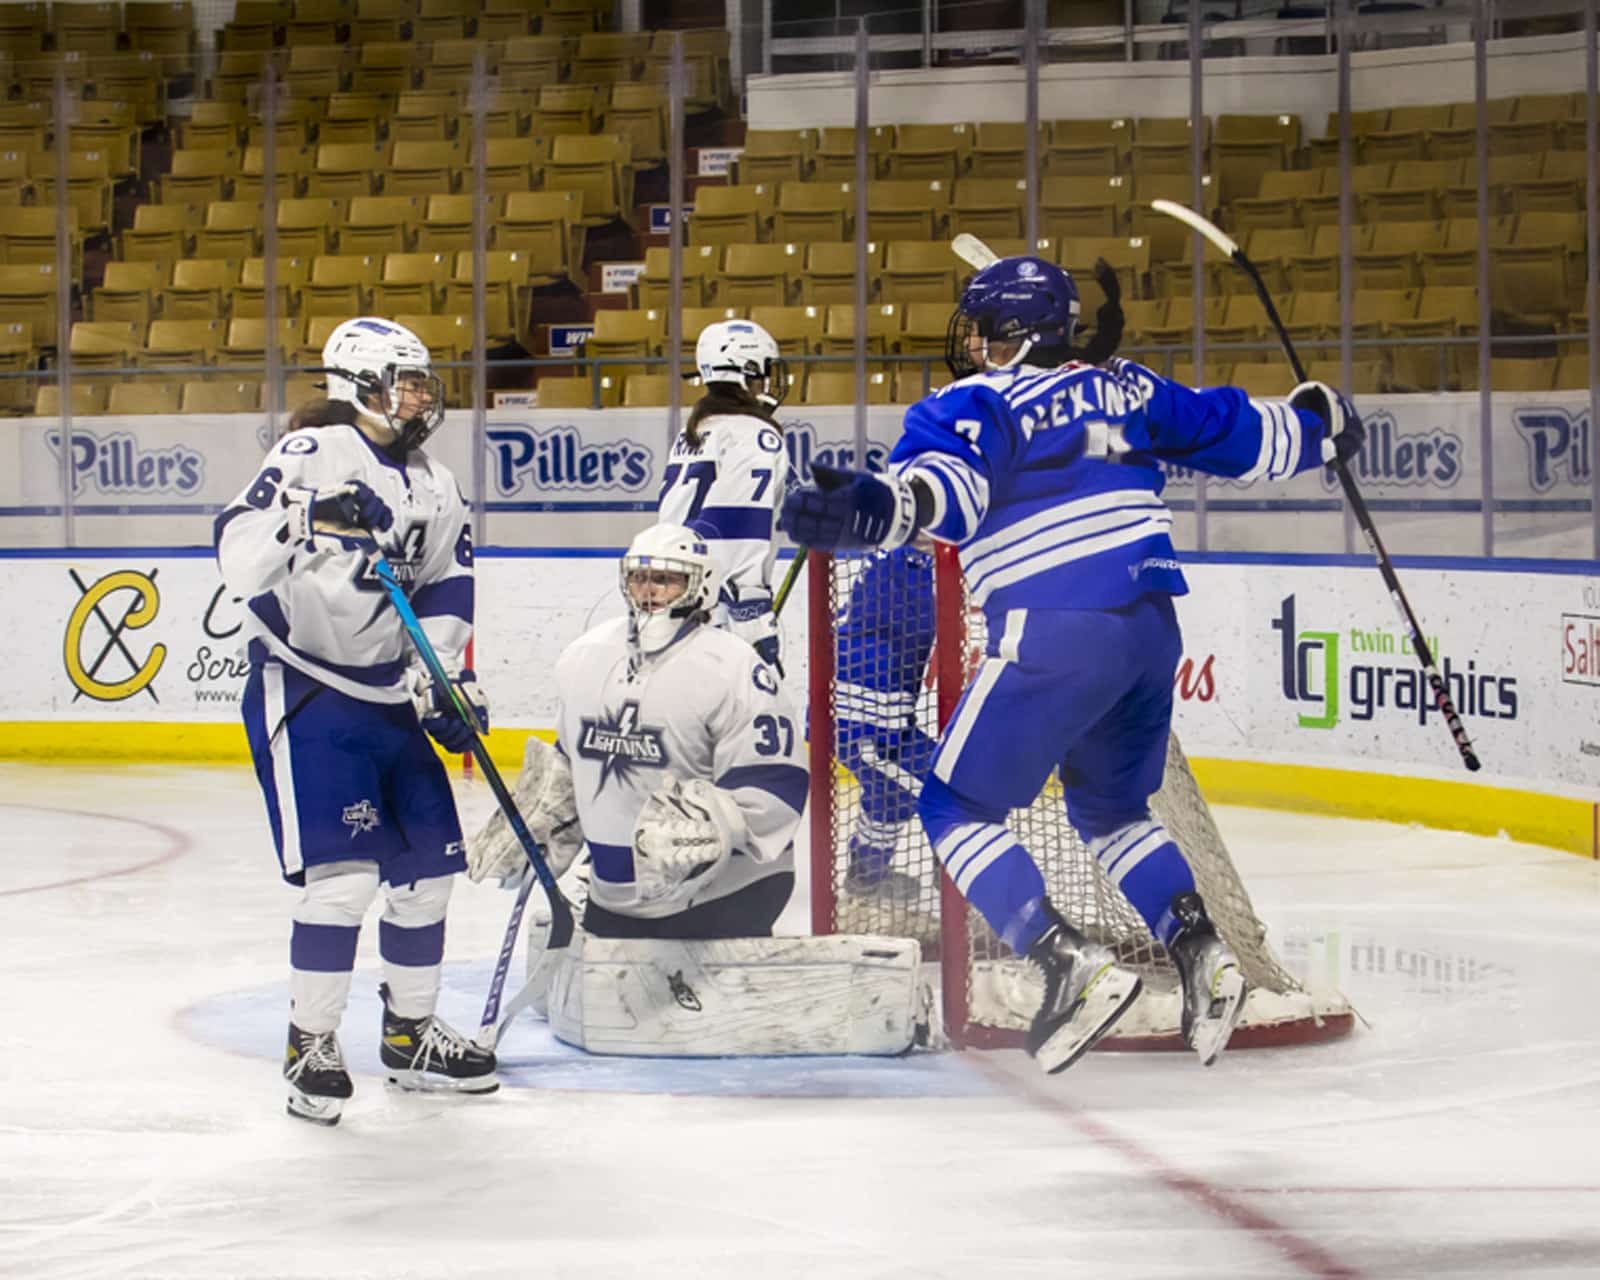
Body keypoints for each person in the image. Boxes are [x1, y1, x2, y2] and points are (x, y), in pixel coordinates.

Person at [779, 255, 1365, 1075]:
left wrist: (878, 508)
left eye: (982, 330)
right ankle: (1203, 953)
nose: (974, 343)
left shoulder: (974, 401)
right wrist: (1320, 423)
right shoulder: (1129, 392)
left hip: (1056, 628)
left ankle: (1063, 960)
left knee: (955, 808)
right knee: (1114, 810)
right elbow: (1241, 436)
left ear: (1006, 337)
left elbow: (947, 493)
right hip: (1152, 630)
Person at [467, 524, 926, 1057]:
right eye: (640, 577)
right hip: (619, 894)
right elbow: (571, 764)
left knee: (700, 1017)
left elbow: (777, 780)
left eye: (666, 579)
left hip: (724, 891)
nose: (650, 591)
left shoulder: (736, 668)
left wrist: (718, 826)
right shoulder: (585, 656)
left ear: (700, 587)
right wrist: (545, 823)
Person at [216, 316, 497, 1125]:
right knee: (344, 883)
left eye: (421, 381)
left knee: (428, 876)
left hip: (387, 697)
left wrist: (446, 678)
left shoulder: (438, 484)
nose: (421, 395)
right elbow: (236, 551)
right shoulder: (312, 454)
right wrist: (307, 518)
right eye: (405, 380)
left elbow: (447, 586)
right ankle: (311, 1040)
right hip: (306, 689)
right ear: (360, 385)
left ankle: (408, 1037)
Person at [658, 319, 792, 671]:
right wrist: (751, 608)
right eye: (763, 373)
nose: (768, 382)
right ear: (745, 372)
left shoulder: (694, 431)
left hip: (671, 599)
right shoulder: (755, 434)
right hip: (716, 611)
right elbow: (737, 528)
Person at [833, 545, 938, 902]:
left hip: (877, 721)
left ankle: (866, 881)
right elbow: (928, 615)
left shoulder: (896, 559)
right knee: (953, 786)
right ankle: (962, 873)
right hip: (865, 724)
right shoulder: (906, 564)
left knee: (889, 796)